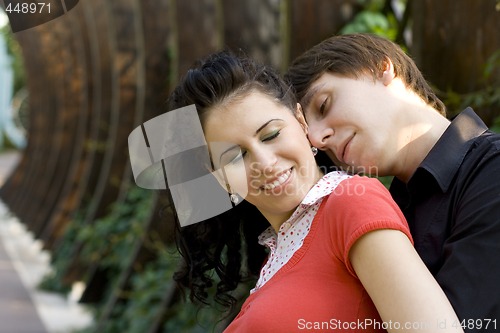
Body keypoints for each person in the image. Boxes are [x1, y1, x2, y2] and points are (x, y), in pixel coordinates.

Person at [156, 50, 464, 332]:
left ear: (302, 122)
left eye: (271, 134)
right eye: (235, 156)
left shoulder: (349, 203)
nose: (265, 162)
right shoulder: (277, 256)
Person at [286, 33, 500, 332]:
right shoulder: (378, 214)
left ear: (382, 68)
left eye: (323, 105)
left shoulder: (491, 172)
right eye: (314, 143)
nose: (320, 139)